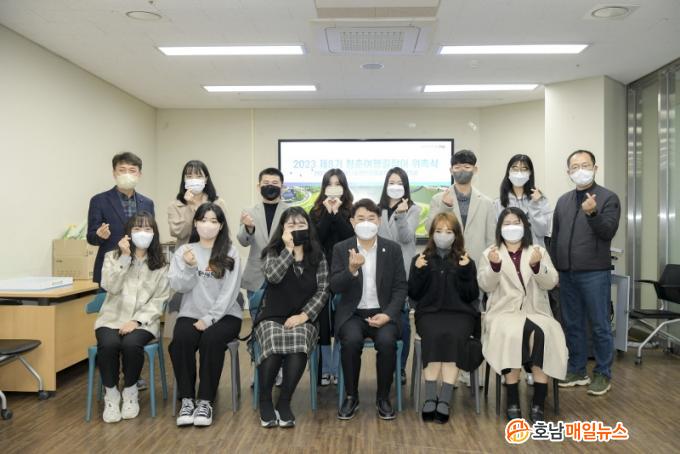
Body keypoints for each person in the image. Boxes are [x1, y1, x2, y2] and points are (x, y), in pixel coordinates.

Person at [478, 207, 567, 422]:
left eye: (516, 222)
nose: (512, 227)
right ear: (500, 228)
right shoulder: (490, 253)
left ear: (524, 226)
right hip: (503, 312)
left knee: (542, 334)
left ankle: (538, 402)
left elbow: (552, 282)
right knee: (512, 334)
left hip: (536, 310)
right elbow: (485, 285)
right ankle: (512, 400)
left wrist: (537, 266)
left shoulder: (538, 251)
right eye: (507, 223)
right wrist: (494, 267)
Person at [330, 199, 408, 421]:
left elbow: (400, 287)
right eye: (361, 218)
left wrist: (388, 314)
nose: (366, 223)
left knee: (387, 342)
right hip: (353, 314)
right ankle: (351, 396)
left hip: (383, 312)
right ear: (352, 222)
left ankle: (383, 397)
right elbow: (334, 286)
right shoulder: (341, 248)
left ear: (379, 221)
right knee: (351, 341)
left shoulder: (392, 249)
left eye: (371, 218)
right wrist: (351, 270)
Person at [551, 150, 621, 396]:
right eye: (575, 166)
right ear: (568, 172)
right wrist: (556, 268)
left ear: (595, 168)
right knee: (572, 324)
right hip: (567, 273)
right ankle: (577, 369)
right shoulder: (563, 201)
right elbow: (556, 238)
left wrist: (593, 213)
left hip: (594, 273)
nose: (580, 170)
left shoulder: (608, 198)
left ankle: (603, 373)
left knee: (600, 325)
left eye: (585, 165)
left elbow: (607, 231)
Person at [254, 207, 329, 428]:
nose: (296, 229)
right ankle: (265, 400)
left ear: (309, 227)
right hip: (272, 315)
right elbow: (273, 277)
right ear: (283, 229)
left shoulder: (318, 255)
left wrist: (304, 316)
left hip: (304, 317)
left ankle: (284, 401)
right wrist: (288, 250)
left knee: (298, 343)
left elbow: (323, 290)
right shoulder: (273, 251)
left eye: (301, 224)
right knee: (274, 342)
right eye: (291, 225)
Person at [169, 203, 243, 427]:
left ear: (221, 226)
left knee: (211, 339)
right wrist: (190, 267)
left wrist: (209, 319)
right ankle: (187, 399)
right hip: (191, 312)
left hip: (226, 315)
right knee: (181, 340)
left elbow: (230, 293)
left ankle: (205, 401)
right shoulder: (184, 251)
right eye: (203, 220)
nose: (207, 225)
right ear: (195, 223)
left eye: (213, 221)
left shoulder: (230, 252)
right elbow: (178, 286)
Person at [425, 149, 495, 386]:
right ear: (450, 170)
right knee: (449, 321)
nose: (462, 170)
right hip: (445, 269)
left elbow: (490, 240)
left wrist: (484, 268)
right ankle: (450, 373)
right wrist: (444, 208)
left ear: (475, 169)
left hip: (473, 271)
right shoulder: (439, 199)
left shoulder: (486, 202)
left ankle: (468, 369)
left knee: (472, 320)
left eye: (467, 167)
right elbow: (430, 230)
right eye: (457, 167)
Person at [94, 212, 169, 423]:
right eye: (137, 229)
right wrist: (125, 258)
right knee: (108, 345)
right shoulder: (112, 257)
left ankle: (130, 391)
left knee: (131, 345)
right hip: (111, 318)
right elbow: (110, 286)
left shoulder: (161, 264)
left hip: (143, 322)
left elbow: (160, 299)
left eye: (147, 229)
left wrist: (136, 321)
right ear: (128, 233)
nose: (142, 233)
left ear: (154, 233)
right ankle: (111, 394)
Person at [408, 212, 479, 423]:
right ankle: (430, 397)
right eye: (439, 231)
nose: (443, 235)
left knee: (453, 336)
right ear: (432, 234)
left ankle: (445, 399)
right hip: (429, 313)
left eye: (448, 231)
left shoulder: (466, 260)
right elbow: (413, 294)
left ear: (456, 235)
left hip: (460, 314)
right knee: (433, 335)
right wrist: (418, 272)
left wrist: (465, 272)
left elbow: (471, 295)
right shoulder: (420, 260)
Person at [309, 169, 354, 386]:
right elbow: (316, 239)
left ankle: (337, 368)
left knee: (342, 321)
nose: (334, 188)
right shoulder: (316, 211)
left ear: (344, 187)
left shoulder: (351, 210)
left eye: (338, 184)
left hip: (345, 273)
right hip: (321, 273)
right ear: (324, 187)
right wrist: (328, 214)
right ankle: (325, 369)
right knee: (323, 323)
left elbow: (350, 237)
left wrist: (337, 214)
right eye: (330, 184)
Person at [377, 167, 422, 386]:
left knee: (403, 321)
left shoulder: (413, 209)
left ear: (405, 186)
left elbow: (406, 238)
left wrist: (402, 215)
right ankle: (385, 365)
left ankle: (400, 367)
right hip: (379, 274)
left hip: (402, 273)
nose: (395, 186)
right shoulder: (377, 210)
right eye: (391, 182)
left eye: (399, 183)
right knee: (384, 320)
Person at [87, 152, 154, 284]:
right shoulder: (99, 201)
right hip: (110, 268)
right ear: (114, 173)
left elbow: (152, 234)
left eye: (132, 170)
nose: (127, 174)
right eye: (122, 170)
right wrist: (100, 235)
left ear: (139, 174)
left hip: (140, 268)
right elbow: (91, 237)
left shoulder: (147, 203)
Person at [493, 154, 552, 247]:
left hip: (534, 251)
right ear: (508, 172)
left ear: (530, 173)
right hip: (508, 252)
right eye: (515, 169)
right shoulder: (499, 203)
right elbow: (496, 233)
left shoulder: (540, 199)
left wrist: (535, 205)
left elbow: (543, 231)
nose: (519, 173)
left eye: (524, 169)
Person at [168, 160, 227, 248]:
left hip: (213, 252)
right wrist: (189, 207)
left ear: (206, 179)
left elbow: (225, 232)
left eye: (199, 176)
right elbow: (178, 233)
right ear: (184, 180)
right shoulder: (175, 205)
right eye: (189, 177)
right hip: (185, 252)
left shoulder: (218, 203)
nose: (194, 180)